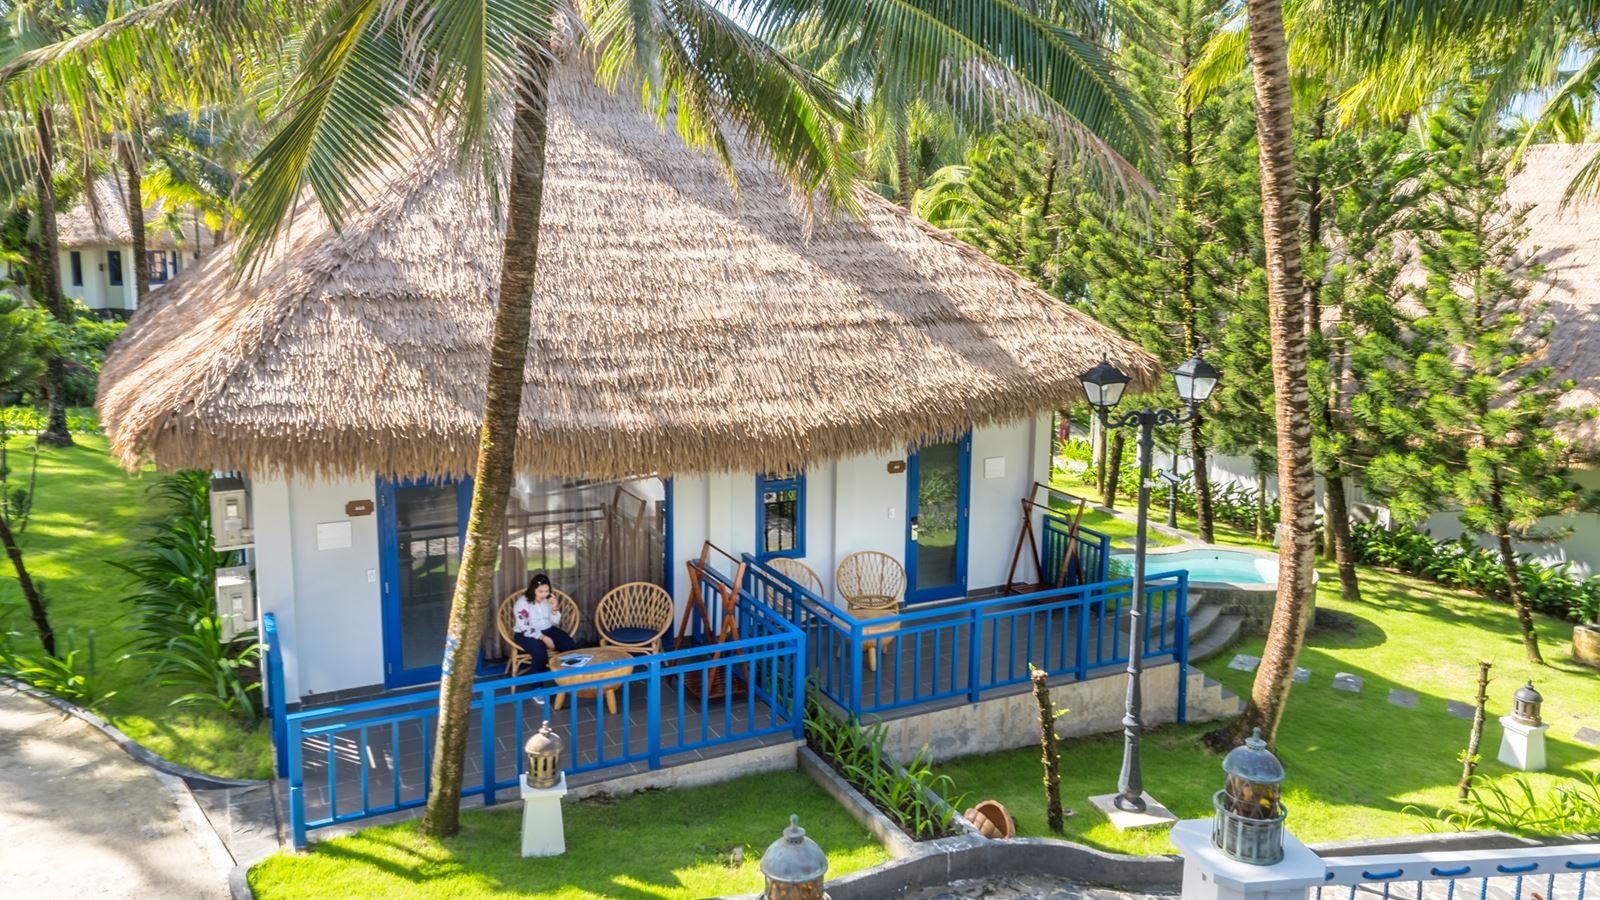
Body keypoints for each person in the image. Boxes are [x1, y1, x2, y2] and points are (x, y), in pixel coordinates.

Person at [511, 573, 577, 674]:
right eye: (540, 591)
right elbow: (524, 626)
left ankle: (569, 677)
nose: (544, 594)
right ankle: (537, 686)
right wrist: (544, 638)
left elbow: (555, 621)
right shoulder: (523, 602)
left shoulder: (549, 599)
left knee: (569, 645)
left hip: (548, 629)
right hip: (526, 633)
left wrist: (554, 607)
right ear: (533, 590)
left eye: (546, 591)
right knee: (540, 653)